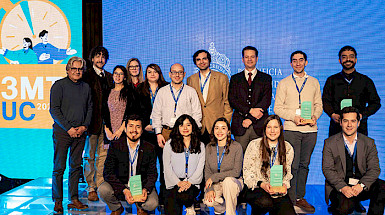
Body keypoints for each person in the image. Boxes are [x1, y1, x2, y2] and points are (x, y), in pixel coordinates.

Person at [274, 51, 322, 212]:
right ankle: (290, 197)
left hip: (310, 130)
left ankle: (300, 197)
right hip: (291, 129)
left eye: (301, 60)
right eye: (294, 61)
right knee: (292, 165)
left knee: (304, 165)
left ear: (306, 62)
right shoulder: (284, 83)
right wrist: (293, 117)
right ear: (290, 64)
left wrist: (315, 116)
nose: (298, 63)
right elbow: (277, 108)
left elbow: (318, 105)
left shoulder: (314, 82)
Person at [322, 106, 385, 215]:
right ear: (340, 123)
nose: (349, 125)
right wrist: (343, 187)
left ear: (358, 123)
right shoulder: (330, 143)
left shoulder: (369, 142)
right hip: (340, 186)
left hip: (360, 185)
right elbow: (327, 169)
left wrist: (361, 185)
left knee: (382, 187)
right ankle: (338, 206)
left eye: (353, 121)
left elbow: (374, 169)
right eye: (346, 121)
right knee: (345, 207)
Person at [49, 56, 91, 213]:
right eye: (74, 69)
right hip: (62, 133)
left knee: (75, 167)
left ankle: (74, 199)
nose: (77, 71)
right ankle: (58, 200)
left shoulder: (86, 87)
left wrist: (84, 127)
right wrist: (69, 129)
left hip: (80, 133)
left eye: (80, 69)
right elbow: (54, 110)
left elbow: (90, 108)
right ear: (67, 70)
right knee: (59, 167)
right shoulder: (58, 86)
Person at [99, 114, 158, 215]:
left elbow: (152, 174)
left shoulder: (149, 148)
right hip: (122, 184)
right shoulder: (115, 145)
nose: (134, 130)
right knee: (103, 190)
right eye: (130, 126)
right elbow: (108, 172)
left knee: (152, 203)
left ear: (142, 130)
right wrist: (124, 190)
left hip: (141, 185)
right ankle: (117, 208)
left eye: (138, 127)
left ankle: (141, 208)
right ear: (125, 129)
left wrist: (146, 189)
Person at [322, 45, 381, 137]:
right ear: (339, 60)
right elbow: (325, 101)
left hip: (359, 128)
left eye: (351, 56)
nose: (348, 59)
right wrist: (332, 114)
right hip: (337, 127)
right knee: (336, 151)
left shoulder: (365, 80)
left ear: (356, 60)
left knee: (359, 151)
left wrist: (361, 115)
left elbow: (376, 103)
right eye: (344, 57)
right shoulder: (331, 80)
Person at [243, 115, 296, 215]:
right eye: (269, 127)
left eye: (275, 127)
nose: (272, 131)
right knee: (266, 202)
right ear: (265, 129)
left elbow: (287, 173)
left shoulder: (287, 147)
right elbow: (247, 173)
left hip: (277, 190)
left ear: (280, 128)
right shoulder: (254, 145)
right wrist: (262, 184)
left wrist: (284, 185)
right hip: (257, 187)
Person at [82, 46, 114, 201]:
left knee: (103, 155)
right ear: (92, 58)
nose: (100, 59)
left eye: (103, 56)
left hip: (106, 124)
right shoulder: (86, 76)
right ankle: (91, 187)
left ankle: (100, 183)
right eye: (97, 56)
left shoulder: (109, 76)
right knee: (89, 156)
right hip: (90, 123)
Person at [228, 46, 272, 152]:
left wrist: (250, 119)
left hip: (259, 125)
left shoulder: (266, 78)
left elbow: (266, 101)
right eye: (246, 57)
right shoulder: (235, 79)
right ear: (242, 59)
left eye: (252, 57)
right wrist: (250, 111)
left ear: (257, 58)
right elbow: (232, 100)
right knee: (240, 159)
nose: (249, 59)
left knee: (260, 158)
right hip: (240, 125)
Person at [137, 63, 168, 206]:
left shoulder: (167, 88)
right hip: (145, 133)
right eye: (149, 72)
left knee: (163, 165)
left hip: (162, 132)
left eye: (155, 71)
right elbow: (135, 109)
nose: (152, 74)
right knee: (144, 165)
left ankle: (163, 195)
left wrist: (158, 125)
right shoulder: (140, 89)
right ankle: (144, 192)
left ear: (159, 73)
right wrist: (144, 125)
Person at [151, 63, 202, 148]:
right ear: (169, 74)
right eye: (174, 72)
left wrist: (192, 133)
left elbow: (197, 113)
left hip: (186, 133)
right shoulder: (162, 91)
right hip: (166, 132)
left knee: (185, 160)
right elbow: (156, 113)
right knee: (166, 160)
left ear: (184, 74)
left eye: (180, 72)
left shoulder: (191, 91)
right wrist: (158, 133)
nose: (177, 75)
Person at [187, 50, 232, 145]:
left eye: (204, 58)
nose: (201, 61)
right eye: (198, 59)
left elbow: (227, 101)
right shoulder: (191, 79)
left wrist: (225, 123)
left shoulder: (222, 77)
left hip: (217, 124)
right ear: (195, 62)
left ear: (209, 60)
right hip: (198, 124)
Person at [163, 114, 205, 215]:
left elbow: (200, 168)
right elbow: (167, 167)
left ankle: (190, 207)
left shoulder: (200, 145)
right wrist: (178, 182)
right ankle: (189, 209)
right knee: (171, 200)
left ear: (193, 127)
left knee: (184, 195)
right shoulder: (169, 144)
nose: (185, 128)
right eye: (181, 125)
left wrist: (189, 182)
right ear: (177, 127)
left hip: (192, 183)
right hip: (174, 182)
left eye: (188, 125)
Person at [203, 117, 243, 215]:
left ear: (228, 131)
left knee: (228, 181)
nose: (219, 131)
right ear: (213, 130)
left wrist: (214, 177)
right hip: (216, 183)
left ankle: (230, 212)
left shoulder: (236, 147)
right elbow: (207, 171)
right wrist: (209, 189)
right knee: (209, 201)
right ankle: (220, 208)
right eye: (217, 128)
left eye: (223, 128)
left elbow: (236, 172)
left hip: (233, 182)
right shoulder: (209, 147)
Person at [102, 65, 140, 143]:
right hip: (109, 132)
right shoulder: (107, 91)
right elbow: (104, 112)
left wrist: (120, 130)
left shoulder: (130, 92)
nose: (118, 76)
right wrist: (107, 130)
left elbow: (131, 112)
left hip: (124, 131)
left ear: (125, 77)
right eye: (116, 73)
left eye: (121, 74)